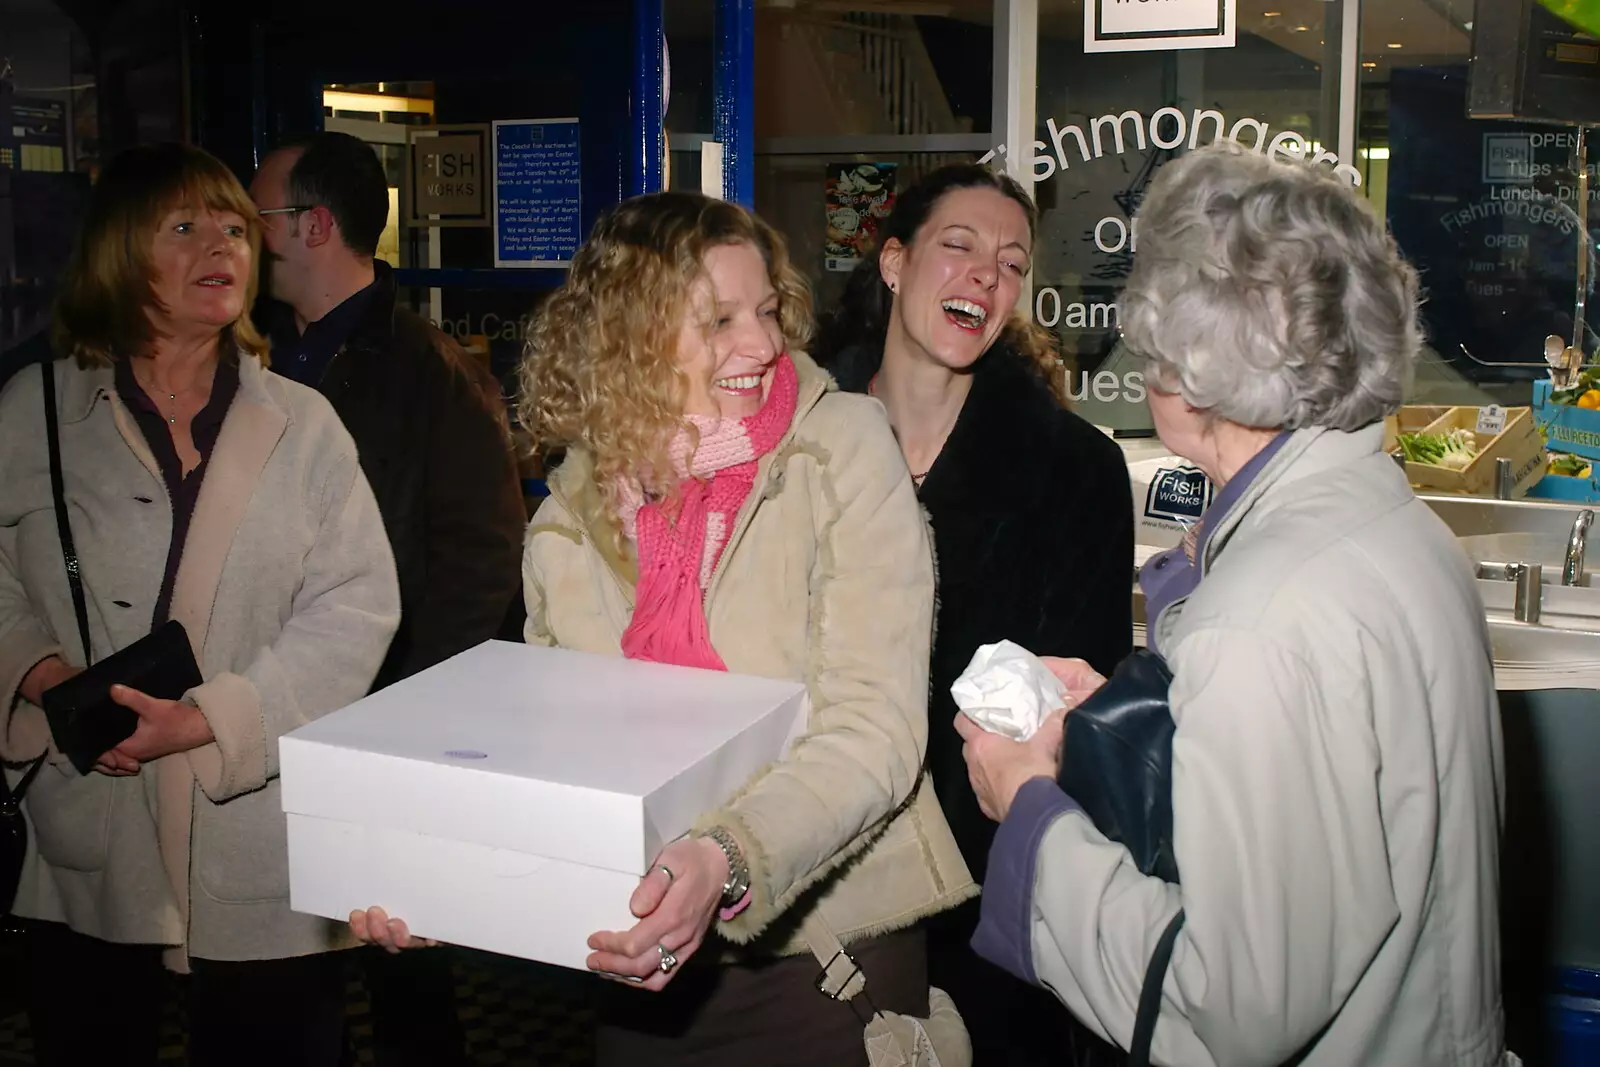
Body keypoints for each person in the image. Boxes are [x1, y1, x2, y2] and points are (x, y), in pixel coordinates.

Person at [350, 191, 976, 1066]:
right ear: (632, 337)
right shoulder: (571, 513)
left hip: (820, 964)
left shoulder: (841, 450)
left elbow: (874, 733)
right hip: (635, 967)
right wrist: (446, 883)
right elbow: (564, 764)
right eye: (718, 320)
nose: (761, 344)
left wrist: (725, 857)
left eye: (763, 311)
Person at [959, 142, 1508, 1066]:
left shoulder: (1258, 615)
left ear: (1196, 360)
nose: (1145, 364)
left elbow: (1226, 1007)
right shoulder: (1390, 525)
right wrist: (1125, 718)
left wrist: (1029, 808)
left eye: (1157, 339)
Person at [0, 143, 400, 1066]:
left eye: (231, 224)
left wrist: (212, 720)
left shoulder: (303, 424)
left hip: (254, 826)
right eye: (184, 226)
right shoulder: (37, 410)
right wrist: (44, 673)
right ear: (117, 253)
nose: (221, 244)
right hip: (90, 818)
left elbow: (356, 604)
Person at [813, 162, 1134, 1064]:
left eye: (1010, 263)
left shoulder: (1074, 471)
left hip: (988, 900)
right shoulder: (799, 444)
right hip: (810, 886)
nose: (986, 277)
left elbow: (1073, 709)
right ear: (892, 263)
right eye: (958, 247)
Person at [250, 131, 527, 1066]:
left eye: (256, 219)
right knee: (279, 968)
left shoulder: (431, 374)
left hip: (379, 725)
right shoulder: (253, 360)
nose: (239, 242)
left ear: (312, 226)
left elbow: (482, 563)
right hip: (264, 707)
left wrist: (396, 708)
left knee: (404, 966)